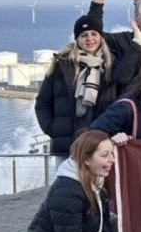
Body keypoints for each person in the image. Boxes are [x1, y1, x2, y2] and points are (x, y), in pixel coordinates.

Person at [35, 12, 130, 166]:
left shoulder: (112, 67)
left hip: (100, 145)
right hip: (67, 147)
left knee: (99, 189)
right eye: (84, 35)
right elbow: (42, 102)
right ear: (77, 39)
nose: (89, 39)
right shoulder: (62, 65)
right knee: (67, 187)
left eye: (94, 34)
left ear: (101, 37)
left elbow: (122, 104)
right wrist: (54, 129)